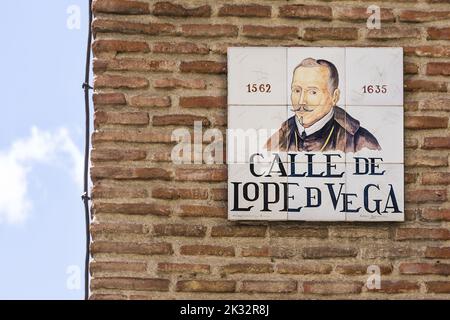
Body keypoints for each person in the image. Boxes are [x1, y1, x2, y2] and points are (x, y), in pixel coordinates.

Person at [265, 58, 381, 152]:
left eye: (313, 92)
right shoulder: (278, 139)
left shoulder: (360, 141)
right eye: (296, 90)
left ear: (334, 97)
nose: (301, 101)